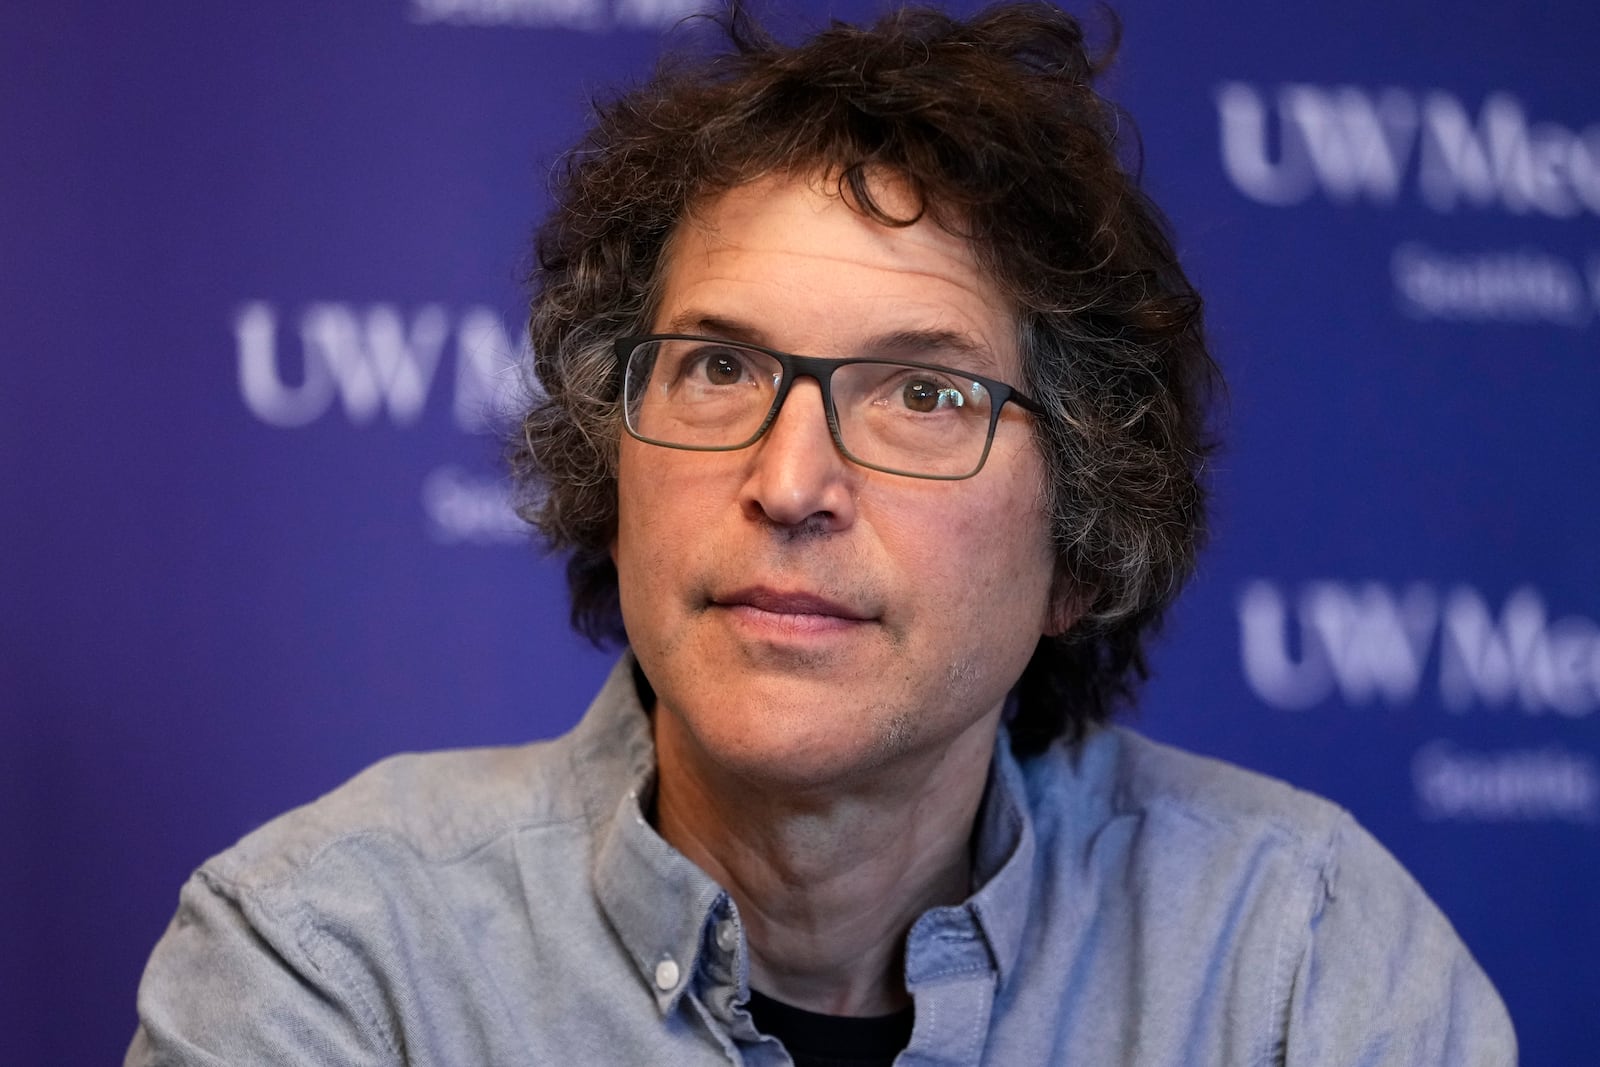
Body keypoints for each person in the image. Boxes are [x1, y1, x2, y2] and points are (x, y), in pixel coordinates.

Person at [128, 4, 1517, 1064]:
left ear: (1084, 543)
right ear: (611, 464)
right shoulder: (339, 961)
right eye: (719, 370)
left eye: (924, 393)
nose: (791, 480)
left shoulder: (1295, 969)